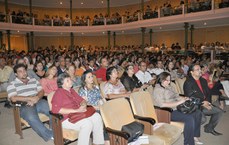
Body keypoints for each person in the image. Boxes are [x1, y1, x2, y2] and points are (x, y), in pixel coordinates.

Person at [51, 73, 104, 145]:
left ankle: (97, 143)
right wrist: (76, 110)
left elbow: (82, 100)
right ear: (62, 84)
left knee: (97, 116)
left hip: (78, 115)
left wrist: (83, 105)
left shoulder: (71, 90)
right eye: (67, 80)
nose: (70, 81)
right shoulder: (59, 92)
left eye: (70, 79)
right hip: (66, 119)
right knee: (87, 124)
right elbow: (55, 109)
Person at [153, 72, 202, 145]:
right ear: (161, 80)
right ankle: (188, 143)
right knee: (189, 118)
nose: (169, 82)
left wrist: (184, 98)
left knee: (197, 113)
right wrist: (179, 102)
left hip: (177, 107)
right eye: (167, 80)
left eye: (170, 80)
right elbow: (162, 105)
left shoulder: (169, 87)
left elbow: (176, 96)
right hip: (167, 111)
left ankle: (194, 136)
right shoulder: (158, 90)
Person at [7, 64, 53, 141]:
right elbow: (13, 98)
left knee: (52, 110)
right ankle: (49, 135)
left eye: (24, 70)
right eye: (20, 71)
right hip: (24, 104)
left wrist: (37, 98)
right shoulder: (12, 84)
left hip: (38, 101)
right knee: (31, 117)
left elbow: (41, 91)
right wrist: (30, 98)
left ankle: (54, 129)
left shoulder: (33, 80)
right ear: (16, 74)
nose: (23, 72)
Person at [183, 64, 224, 136]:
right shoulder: (188, 83)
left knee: (219, 111)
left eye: (200, 69)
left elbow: (208, 93)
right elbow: (190, 97)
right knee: (202, 119)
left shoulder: (203, 80)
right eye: (197, 70)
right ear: (191, 72)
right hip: (195, 105)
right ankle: (188, 128)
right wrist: (202, 103)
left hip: (205, 103)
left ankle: (209, 128)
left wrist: (208, 102)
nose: (200, 71)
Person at [78, 70, 110, 145]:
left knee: (112, 112)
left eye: (92, 76)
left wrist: (106, 104)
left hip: (100, 107)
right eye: (89, 77)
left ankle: (113, 135)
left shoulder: (96, 87)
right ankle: (106, 140)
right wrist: (94, 107)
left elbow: (101, 97)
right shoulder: (83, 90)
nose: (91, 78)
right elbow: (84, 103)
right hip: (91, 109)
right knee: (103, 117)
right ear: (84, 80)